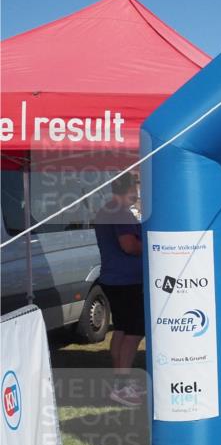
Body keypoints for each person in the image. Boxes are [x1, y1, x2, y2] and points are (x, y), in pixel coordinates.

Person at [94, 173, 146, 408]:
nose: (139, 193)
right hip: (126, 280)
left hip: (114, 278)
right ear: (129, 188)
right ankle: (121, 387)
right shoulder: (121, 212)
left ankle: (120, 381)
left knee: (123, 330)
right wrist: (150, 245)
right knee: (134, 332)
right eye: (137, 187)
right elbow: (129, 245)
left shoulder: (107, 210)